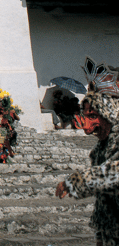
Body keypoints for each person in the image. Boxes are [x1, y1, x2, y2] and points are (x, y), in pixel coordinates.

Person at [56, 57, 119, 246]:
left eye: (93, 117)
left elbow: (114, 172)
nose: (87, 127)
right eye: (86, 116)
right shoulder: (101, 146)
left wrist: (76, 181)